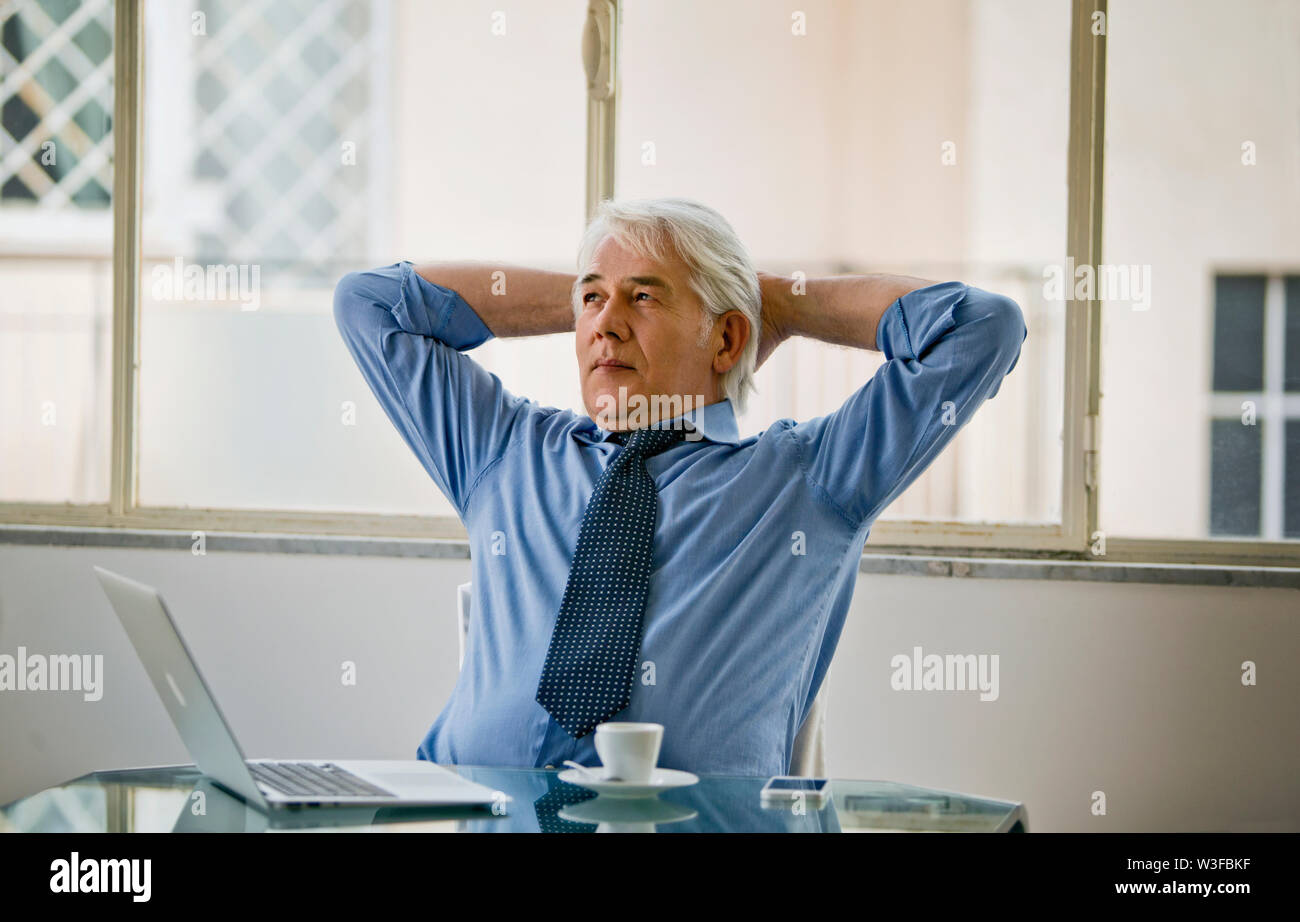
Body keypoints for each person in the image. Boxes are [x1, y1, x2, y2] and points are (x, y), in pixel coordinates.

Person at [333, 197, 1026, 777]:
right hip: (475, 808)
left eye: (643, 299)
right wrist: (589, 294)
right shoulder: (505, 450)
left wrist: (776, 302)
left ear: (726, 342)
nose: (605, 323)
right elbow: (368, 304)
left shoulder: (810, 481)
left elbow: (982, 328)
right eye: (593, 302)